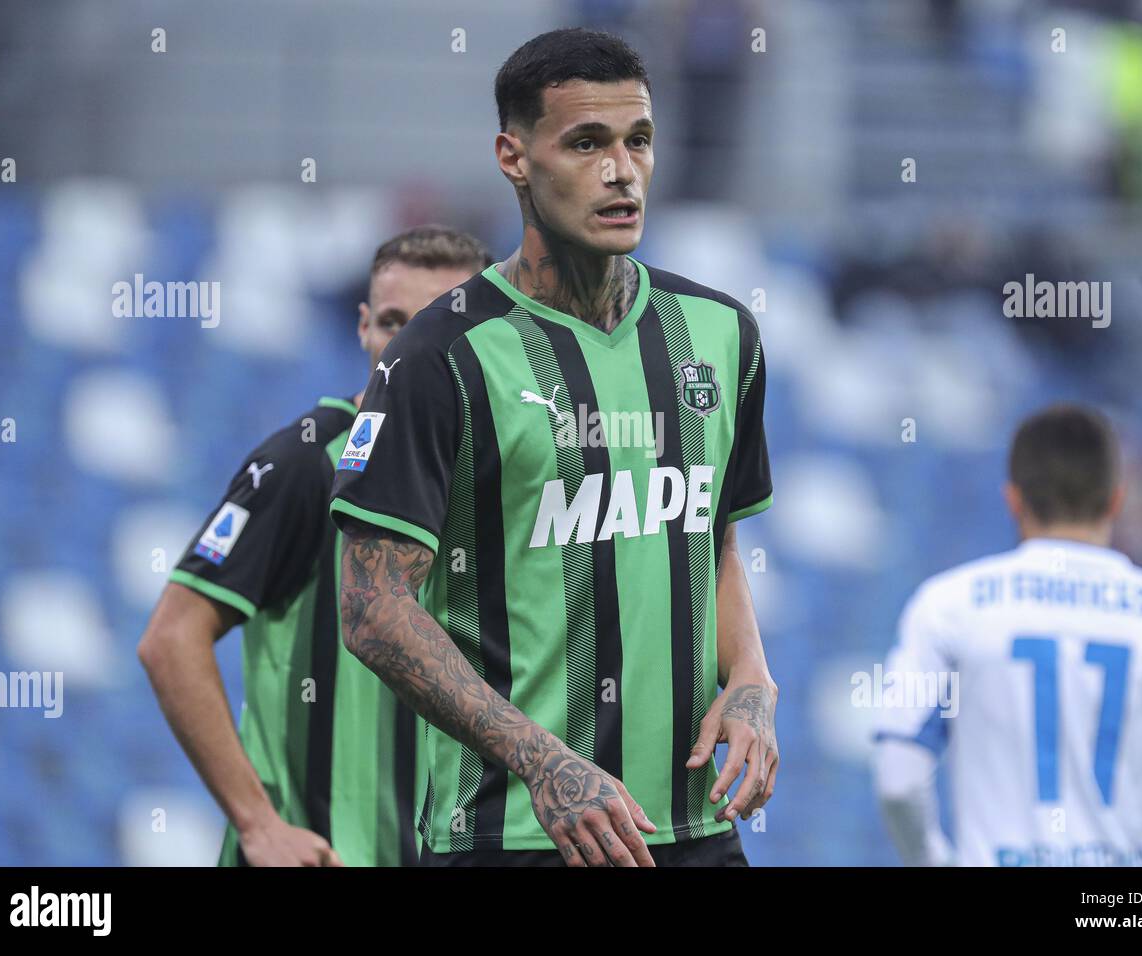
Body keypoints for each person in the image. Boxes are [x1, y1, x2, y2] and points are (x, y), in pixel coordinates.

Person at [330, 28, 778, 866]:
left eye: (637, 141)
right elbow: (372, 608)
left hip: (689, 833)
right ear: (513, 155)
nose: (621, 170)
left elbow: (710, 540)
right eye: (586, 143)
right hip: (515, 834)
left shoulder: (719, 333)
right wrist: (541, 760)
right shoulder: (441, 356)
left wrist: (751, 679)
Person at [138, 226, 488, 866]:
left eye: (437, 327)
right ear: (363, 329)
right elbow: (170, 638)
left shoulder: (510, 480)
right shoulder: (305, 467)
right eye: (392, 324)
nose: (408, 352)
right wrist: (258, 825)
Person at [874, 403, 1142, 866]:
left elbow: (899, 778)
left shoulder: (947, 607)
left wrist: (931, 861)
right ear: (1115, 499)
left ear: (1013, 499)